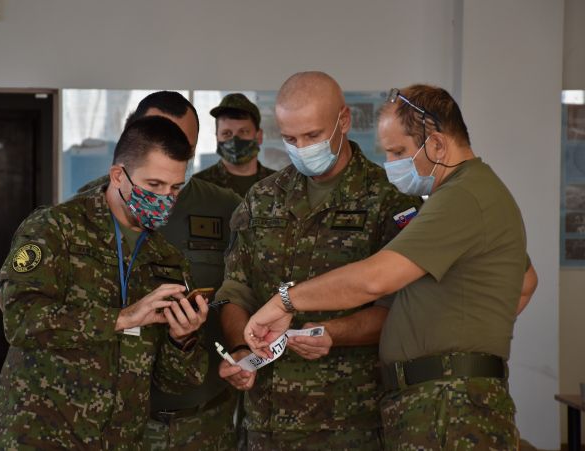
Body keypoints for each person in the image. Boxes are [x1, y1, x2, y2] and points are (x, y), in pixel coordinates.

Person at [244, 84, 539, 449]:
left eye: (398, 151)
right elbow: (526, 281)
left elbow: (375, 280)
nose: (390, 163)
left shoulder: (463, 196)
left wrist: (285, 301)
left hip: (449, 406)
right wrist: (462, 327)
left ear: (436, 144)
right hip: (442, 399)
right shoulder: (470, 192)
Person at [216, 72, 422, 450]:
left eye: (312, 136)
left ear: (343, 120)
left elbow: (402, 308)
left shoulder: (389, 199)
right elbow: (235, 288)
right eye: (290, 139)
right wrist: (241, 348)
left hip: (351, 421)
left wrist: (335, 333)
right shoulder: (262, 199)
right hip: (266, 422)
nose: (301, 148)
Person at [0, 116, 210, 449]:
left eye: (175, 188)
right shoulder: (55, 228)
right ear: (118, 175)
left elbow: (175, 382)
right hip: (39, 437)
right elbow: (20, 319)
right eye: (154, 185)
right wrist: (121, 318)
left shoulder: (168, 258)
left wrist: (182, 339)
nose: (166, 198)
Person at [77, 91, 242, 450]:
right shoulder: (87, 205)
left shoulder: (225, 206)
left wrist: (241, 347)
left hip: (199, 413)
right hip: (110, 414)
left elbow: (241, 291)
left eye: (183, 146)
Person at [193, 93, 275, 197]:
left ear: (259, 136)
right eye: (226, 133)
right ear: (217, 138)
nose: (235, 140)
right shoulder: (196, 187)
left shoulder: (281, 184)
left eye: (244, 131)